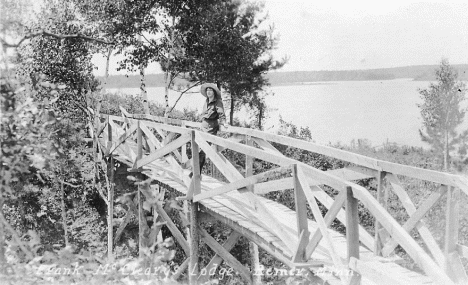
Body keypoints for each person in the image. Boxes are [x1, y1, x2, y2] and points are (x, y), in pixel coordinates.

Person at [189, 83, 228, 178]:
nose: (208, 92)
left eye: (210, 90)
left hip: (211, 128)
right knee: (197, 149)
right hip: (203, 126)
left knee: (203, 150)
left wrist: (224, 122)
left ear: (214, 92)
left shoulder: (218, 102)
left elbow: (221, 114)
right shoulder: (206, 101)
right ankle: (195, 172)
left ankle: (196, 173)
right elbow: (204, 113)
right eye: (207, 90)